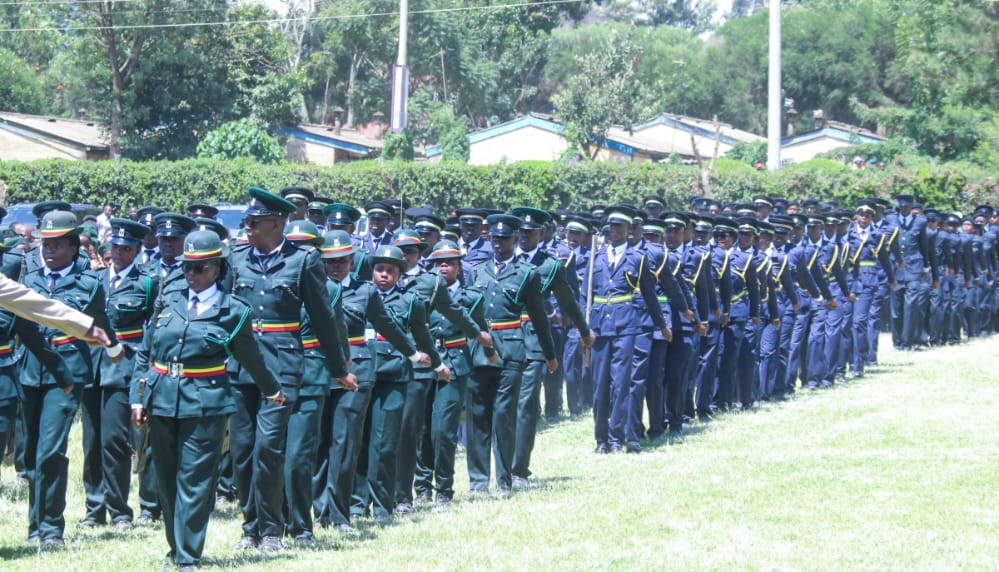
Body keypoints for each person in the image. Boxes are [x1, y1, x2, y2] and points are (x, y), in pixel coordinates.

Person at [130, 230, 285, 571]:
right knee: (166, 479)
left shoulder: (233, 310)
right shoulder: (167, 300)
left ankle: (188, 554)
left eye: (200, 268)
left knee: (195, 479)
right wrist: (137, 399)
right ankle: (176, 546)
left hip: (205, 402)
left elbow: (251, 358)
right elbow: (145, 353)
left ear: (217, 269)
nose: (191, 274)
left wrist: (271, 390)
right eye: (187, 267)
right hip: (162, 397)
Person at [228, 187, 355, 551]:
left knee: (268, 449)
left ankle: (271, 530)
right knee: (242, 451)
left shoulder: (303, 261)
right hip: (241, 366)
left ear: (277, 223)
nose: (247, 227)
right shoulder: (236, 259)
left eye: (255, 222)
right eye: (246, 221)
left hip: (282, 367)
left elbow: (323, 317)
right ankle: (250, 527)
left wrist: (338, 367)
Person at [311, 231, 427, 533]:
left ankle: (340, 514)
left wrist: (413, 353)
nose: (335, 266)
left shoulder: (365, 291)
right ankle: (320, 510)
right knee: (319, 444)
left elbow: (387, 325)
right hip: (319, 370)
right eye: (330, 261)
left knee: (345, 443)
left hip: (356, 371)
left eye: (341, 261)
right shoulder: (313, 288)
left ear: (352, 261)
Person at [20, 209, 116, 549]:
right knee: (31, 452)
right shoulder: (28, 278)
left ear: (74, 247)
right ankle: (35, 524)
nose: (49, 251)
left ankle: (50, 528)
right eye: (45, 244)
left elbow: (102, 325)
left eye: (57, 244)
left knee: (50, 449)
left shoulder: (89, 283)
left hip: (68, 373)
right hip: (30, 369)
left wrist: (116, 354)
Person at [465, 214, 555, 493]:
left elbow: (539, 317)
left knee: (504, 415)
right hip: (479, 349)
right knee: (478, 414)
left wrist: (549, 353)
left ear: (515, 239)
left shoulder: (527, 274)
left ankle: (504, 479)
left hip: (512, 349)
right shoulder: (476, 271)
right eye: (495, 238)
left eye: (504, 239)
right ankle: (478, 482)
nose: (498, 243)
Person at [352, 245, 440, 524]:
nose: (384, 275)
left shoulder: (411, 301)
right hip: (361, 375)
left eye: (390, 271)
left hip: (393, 377)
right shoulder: (359, 295)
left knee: (385, 444)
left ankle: (382, 506)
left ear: (400, 274)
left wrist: (437, 364)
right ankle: (357, 504)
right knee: (358, 442)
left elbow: (423, 338)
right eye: (379, 269)